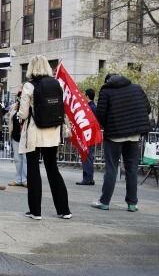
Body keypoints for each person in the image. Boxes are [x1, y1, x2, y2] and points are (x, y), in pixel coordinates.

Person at [18, 55, 72, 220]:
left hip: (35, 133)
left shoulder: (29, 86)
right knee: (53, 169)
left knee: (33, 170)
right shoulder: (57, 84)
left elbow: (24, 113)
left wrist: (18, 116)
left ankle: (35, 211)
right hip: (53, 133)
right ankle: (64, 210)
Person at [90, 74, 151, 212]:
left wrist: (108, 126)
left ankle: (104, 202)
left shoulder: (106, 91)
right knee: (131, 170)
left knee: (111, 168)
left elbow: (100, 114)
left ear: (107, 81)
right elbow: (147, 108)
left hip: (114, 135)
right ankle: (132, 203)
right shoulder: (137, 88)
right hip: (134, 135)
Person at [76, 88, 97, 186]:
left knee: (87, 157)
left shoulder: (89, 108)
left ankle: (87, 179)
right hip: (91, 135)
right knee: (89, 157)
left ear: (87, 96)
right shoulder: (93, 107)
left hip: (87, 136)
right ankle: (90, 178)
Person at [7, 90, 27, 187]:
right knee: (17, 159)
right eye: (19, 97)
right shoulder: (14, 107)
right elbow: (9, 117)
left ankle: (25, 179)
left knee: (25, 158)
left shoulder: (30, 107)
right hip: (15, 136)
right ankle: (18, 179)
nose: (20, 98)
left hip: (26, 137)